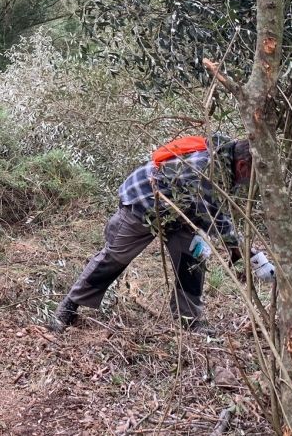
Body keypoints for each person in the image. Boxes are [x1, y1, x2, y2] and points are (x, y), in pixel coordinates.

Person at [49, 136, 258, 332]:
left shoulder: (227, 164)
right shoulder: (205, 167)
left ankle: (189, 321)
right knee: (114, 258)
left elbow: (215, 211)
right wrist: (240, 248)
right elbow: (212, 215)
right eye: (252, 174)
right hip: (144, 202)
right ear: (242, 165)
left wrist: (237, 246)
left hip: (180, 212)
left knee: (193, 260)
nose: (251, 181)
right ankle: (69, 306)